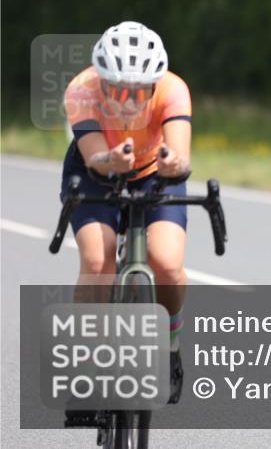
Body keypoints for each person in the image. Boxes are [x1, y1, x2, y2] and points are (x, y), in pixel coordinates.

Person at [61, 21, 192, 409]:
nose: (128, 100)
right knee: (97, 257)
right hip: (94, 170)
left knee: (166, 263)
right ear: (100, 81)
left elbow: (181, 155)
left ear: (156, 83)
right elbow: (94, 156)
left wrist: (173, 165)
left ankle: (170, 342)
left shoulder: (174, 89)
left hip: (154, 171)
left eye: (139, 91)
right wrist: (110, 160)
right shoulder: (81, 89)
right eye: (116, 89)